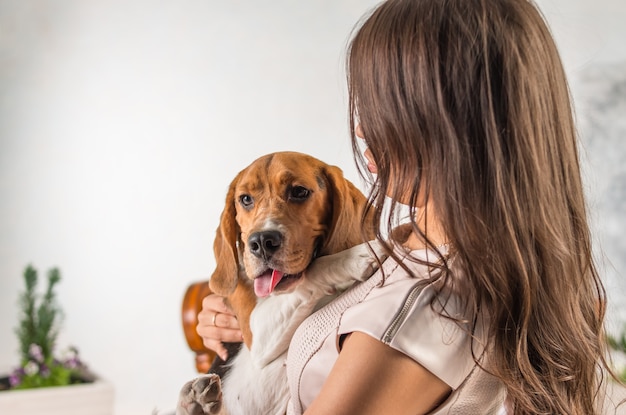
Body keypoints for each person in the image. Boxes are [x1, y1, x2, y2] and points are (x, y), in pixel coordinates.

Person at [197, 0, 622, 413]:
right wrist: (245, 313)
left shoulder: (418, 314)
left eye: (379, 104)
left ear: (444, 123)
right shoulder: (419, 254)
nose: (362, 128)